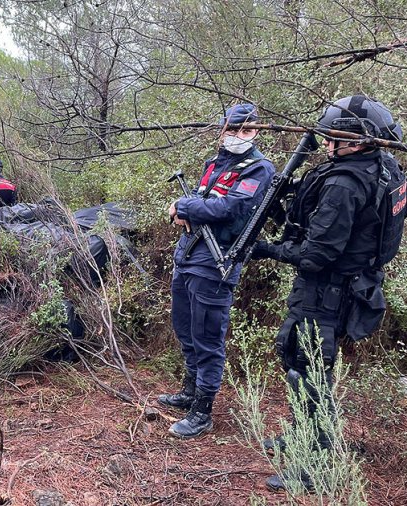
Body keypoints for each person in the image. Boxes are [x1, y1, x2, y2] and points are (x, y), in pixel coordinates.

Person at [250, 95, 407, 490]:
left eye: (334, 137)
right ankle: (302, 435)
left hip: (326, 291)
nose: (326, 144)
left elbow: (317, 254)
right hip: (349, 286)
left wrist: (268, 249)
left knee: (308, 369)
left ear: (357, 141)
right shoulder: (384, 168)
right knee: (306, 365)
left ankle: (314, 464)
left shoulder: (343, 183)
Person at [160, 103, 276, 438]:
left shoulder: (259, 169)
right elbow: (204, 204)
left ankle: (202, 411)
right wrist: (184, 212)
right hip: (189, 255)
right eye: (234, 129)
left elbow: (230, 209)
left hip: (217, 262)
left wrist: (184, 207)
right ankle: (190, 391)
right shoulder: (215, 163)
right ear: (222, 129)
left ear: (255, 132)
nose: (240, 136)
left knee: (207, 336)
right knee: (184, 328)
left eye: (247, 130)